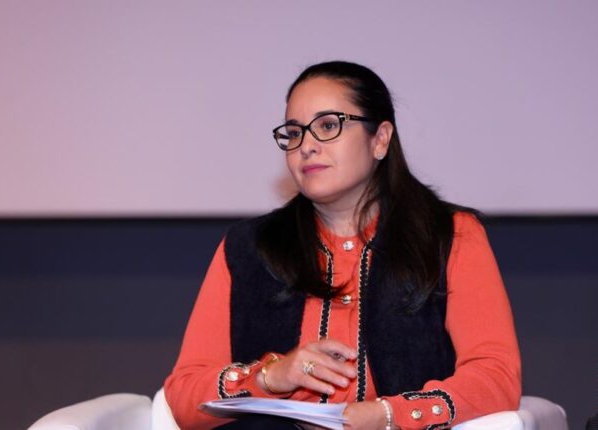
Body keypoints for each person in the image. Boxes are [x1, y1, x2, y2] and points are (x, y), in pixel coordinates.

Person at [164, 61, 521, 430]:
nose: (306, 146)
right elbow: (184, 398)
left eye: (328, 126)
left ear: (380, 139)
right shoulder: (249, 248)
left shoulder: (449, 235)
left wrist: (389, 416)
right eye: (294, 133)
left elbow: (495, 378)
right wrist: (270, 376)